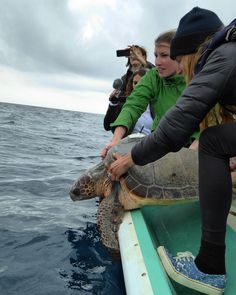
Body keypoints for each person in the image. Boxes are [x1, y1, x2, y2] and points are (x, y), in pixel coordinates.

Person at [108, 7, 236, 294]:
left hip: (179, 144)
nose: (174, 64)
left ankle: (210, 268)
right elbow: (135, 104)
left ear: (191, 52)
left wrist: (131, 158)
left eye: (176, 58)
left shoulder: (221, 57)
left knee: (213, 142)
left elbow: (177, 125)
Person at [101, 30, 200, 158]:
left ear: (180, 54)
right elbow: (133, 104)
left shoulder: (199, 78)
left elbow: (211, 121)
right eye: (156, 55)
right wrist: (115, 140)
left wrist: (188, 156)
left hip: (195, 145)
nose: (158, 61)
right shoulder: (153, 75)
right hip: (161, 143)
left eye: (164, 55)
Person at [103, 45, 154, 131]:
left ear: (144, 57)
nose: (133, 56)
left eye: (137, 53)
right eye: (131, 54)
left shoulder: (153, 75)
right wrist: (113, 102)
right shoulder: (124, 79)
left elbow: (156, 73)